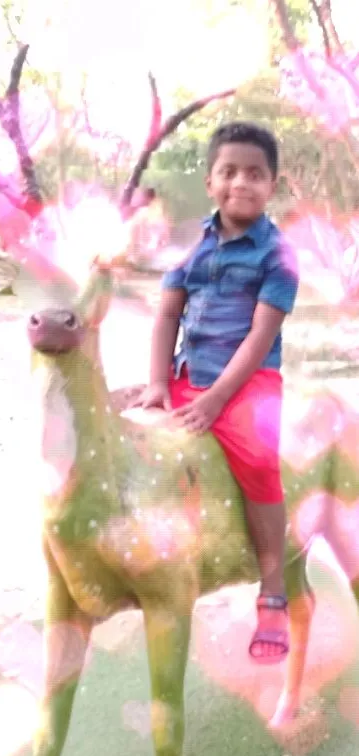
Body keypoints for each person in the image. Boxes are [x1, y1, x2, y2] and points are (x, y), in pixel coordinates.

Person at [132, 121, 299, 665]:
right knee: (130, 428)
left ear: (271, 185)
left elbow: (259, 337)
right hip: (186, 372)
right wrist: (159, 383)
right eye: (229, 172)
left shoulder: (278, 255)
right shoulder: (187, 248)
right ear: (210, 181)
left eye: (255, 174)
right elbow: (166, 317)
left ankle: (272, 589)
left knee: (257, 458)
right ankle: (156, 565)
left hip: (247, 382)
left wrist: (216, 399)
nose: (241, 183)